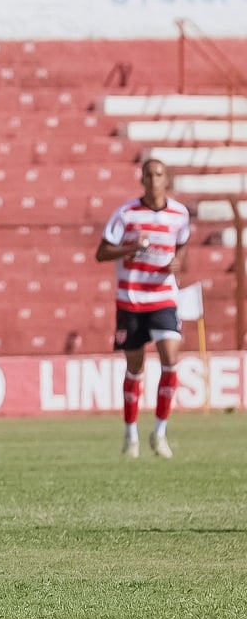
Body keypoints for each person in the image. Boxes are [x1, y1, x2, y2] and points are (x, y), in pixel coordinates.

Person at [95, 159, 190, 459]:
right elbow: (101, 252)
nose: (153, 179)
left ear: (167, 179)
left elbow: (182, 243)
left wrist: (179, 262)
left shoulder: (180, 214)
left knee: (170, 358)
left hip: (163, 297)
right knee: (135, 367)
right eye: (148, 174)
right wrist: (130, 248)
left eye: (158, 174)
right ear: (142, 180)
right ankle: (130, 434)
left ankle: (160, 432)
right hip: (132, 299)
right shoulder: (126, 214)